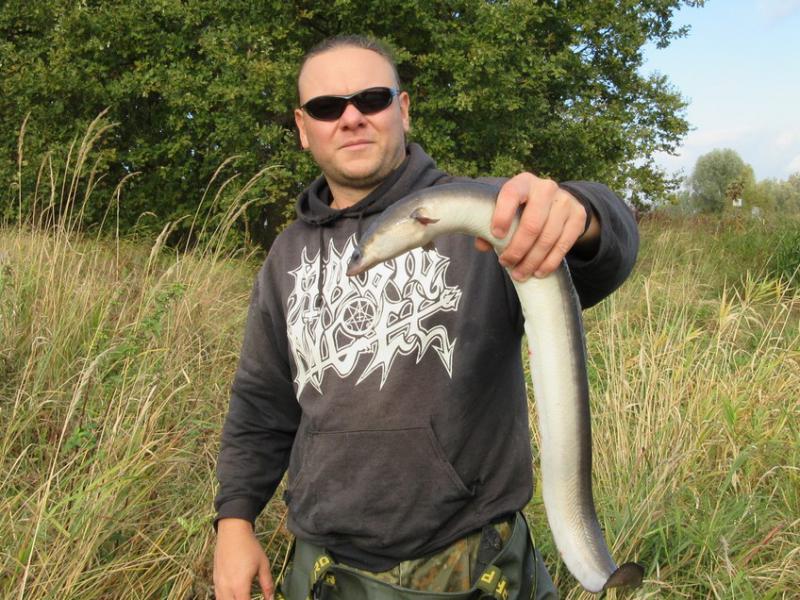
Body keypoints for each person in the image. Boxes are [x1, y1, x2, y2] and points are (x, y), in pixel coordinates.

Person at [213, 35, 638, 600]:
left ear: (404, 109)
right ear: (303, 126)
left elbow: (609, 242)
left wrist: (581, 214)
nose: (351, 118)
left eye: (372, 99)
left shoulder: (487, 217)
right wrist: (235, 520)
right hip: (325, 570)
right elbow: (261, 402)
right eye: (327, 107)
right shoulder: (286, 255)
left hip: (471, 566)